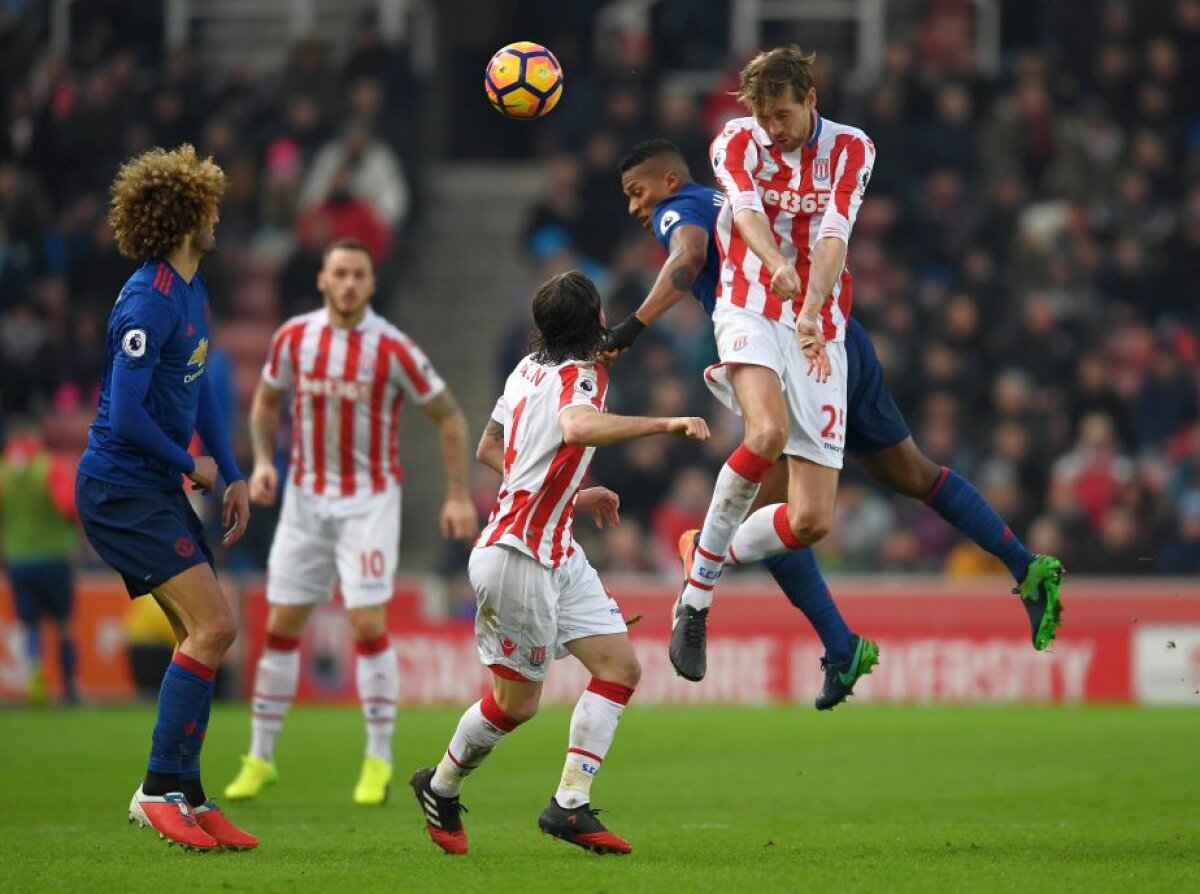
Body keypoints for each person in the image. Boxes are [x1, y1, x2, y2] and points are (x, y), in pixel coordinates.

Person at [609, 50, 1063, 694]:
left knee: (812, 510)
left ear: (811, 98)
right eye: (763, 117)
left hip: (823, 331)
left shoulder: (819, 159)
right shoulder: (734, 145)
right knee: (801, 459)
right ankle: (1004, 574)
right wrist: (777, 269)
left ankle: (734, 576)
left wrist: (811, 306)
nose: (773, 128)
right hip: (754, 313)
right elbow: (744, 217)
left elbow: (821, 234)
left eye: (783, 114)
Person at [409, 270, 709, 856]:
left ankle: (569, 805)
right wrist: (664, 423)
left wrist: (571, 497)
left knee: (619, 669)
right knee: (516, 705)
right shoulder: (584, 378)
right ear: (596, 320)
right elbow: (574, 426)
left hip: (556, 547)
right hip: (516, 556)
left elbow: (490, 449)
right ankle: (440, 785)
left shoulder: (526, 370)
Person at [223, 238, 478, 806]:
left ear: (371, 283)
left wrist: (458, 494)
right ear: (322, 279)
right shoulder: (294, 338)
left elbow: (449, 416)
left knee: (366, 623)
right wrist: (263, 462)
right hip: (305, 502)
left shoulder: (393, 348)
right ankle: (260, 757)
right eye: (338, 274)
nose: (347, 284)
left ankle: (377, 758)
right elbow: (265, 401)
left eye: (357, 275)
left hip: (369, 502)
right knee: (283, 625)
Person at [75, 145, 255, 851]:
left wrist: (232, 471)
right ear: (186, 215)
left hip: (151, 486)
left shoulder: (193, 291)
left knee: (200, 634)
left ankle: (189, 793)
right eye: (208, 205)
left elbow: (201, 394)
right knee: (214, 629)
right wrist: (192, 466)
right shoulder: (147, 298)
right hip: (120, 488)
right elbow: (124, 416)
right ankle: (156, 788)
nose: (217, 216)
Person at [0, 417, 80, 705]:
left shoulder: (5, 471)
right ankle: (70, 686)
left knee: (30, 625)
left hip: (19, 559)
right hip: (55, 555)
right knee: (64, 624)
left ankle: (36, 677)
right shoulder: (49, 465)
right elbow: (67, 504)